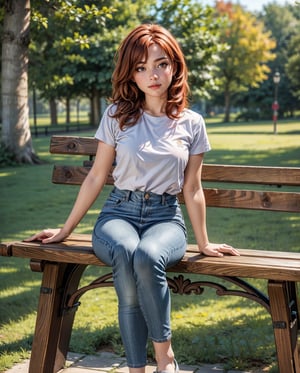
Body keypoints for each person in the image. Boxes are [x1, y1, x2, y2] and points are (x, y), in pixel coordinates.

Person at [25, 24, 239, 373]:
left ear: (175, 66)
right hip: (118, 214)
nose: (152, 75)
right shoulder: (117, 115)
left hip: (165, 217)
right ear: (131, 74)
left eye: (160, 64)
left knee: (147, 255)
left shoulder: (192, 123)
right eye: (141, 67)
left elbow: (193, 188)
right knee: (126, 252)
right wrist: (64, 231)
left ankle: (163, 356)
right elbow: (96, 176)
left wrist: (204, 243)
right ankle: (138, 368)